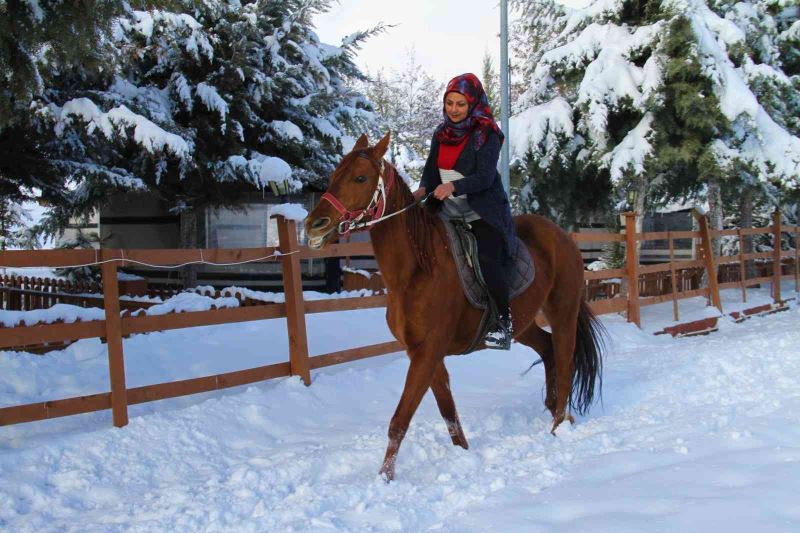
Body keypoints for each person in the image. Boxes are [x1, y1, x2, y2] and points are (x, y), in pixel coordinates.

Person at [413, 73, 516, 350]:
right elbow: (431, 170)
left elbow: (484, 177)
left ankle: (503, 323)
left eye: (460, 103)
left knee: (486, 258)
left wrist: (453, 187)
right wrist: (424, 189)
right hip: (445, 207)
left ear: (472, 104)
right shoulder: (440, 132)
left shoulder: (486, 133)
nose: (454, 109)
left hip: (480, 210)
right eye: (449, 103)